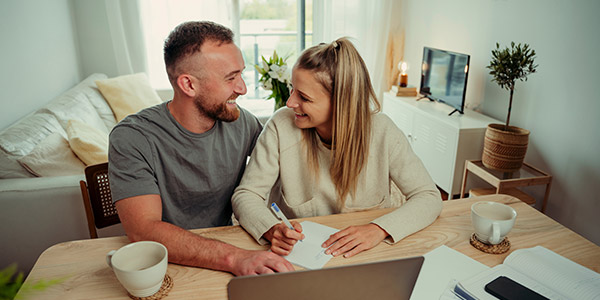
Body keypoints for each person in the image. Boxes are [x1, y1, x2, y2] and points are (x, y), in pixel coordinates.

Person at [108, 21, 294, 275]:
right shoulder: (133, 138)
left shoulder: (242, 122)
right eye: (231, 78)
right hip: (165, 264)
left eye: (241, 73)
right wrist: (234, 258)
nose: (243, 88)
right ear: (189, 85)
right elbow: (143, 231)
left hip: (229, 249)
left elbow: (283, 172)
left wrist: (273, 227)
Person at [232, 38, 443, 258]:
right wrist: (272, 229)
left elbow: (428, 196)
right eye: (292, 89)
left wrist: (379, 229)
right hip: (301, 255)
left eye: (303, 97)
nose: (290, 102)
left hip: (367, 254)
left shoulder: (383, 131)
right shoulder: (280, 126)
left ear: (341, 103)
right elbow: (246, 195)